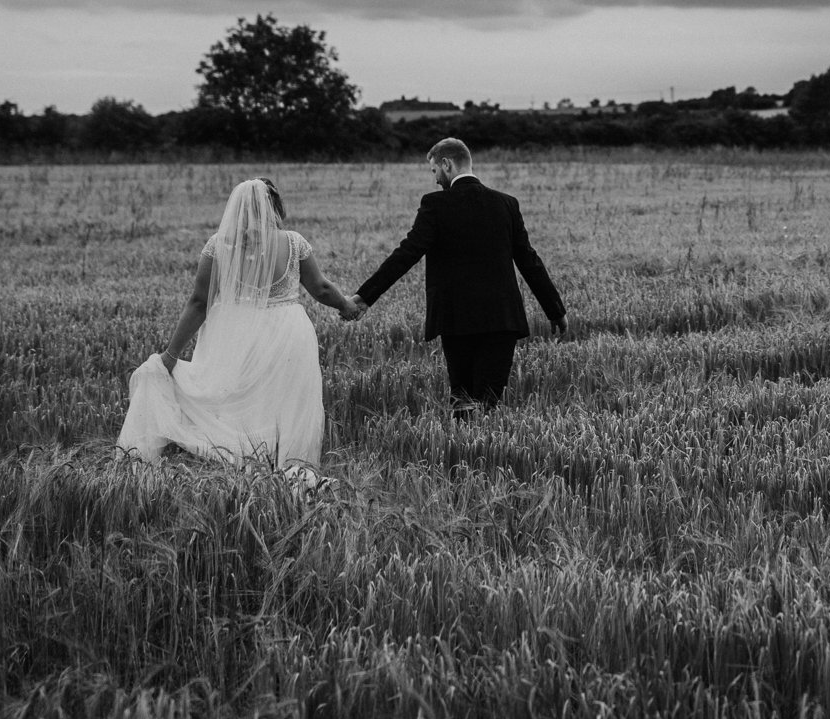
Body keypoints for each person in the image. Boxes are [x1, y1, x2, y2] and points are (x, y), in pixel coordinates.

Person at [117, 177, 356, 473]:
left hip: (235, 331)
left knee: (235, 396)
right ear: (274, 206)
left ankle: (241, 460)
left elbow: (198, 303)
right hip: (289, 333)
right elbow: (320, 288)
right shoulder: (293, 242)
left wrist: (171, 355)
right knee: (287, 402)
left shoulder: (219, 246)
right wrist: (347, 305)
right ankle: (289, 468)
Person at [347, 138, 566, 418]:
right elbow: (529, 261)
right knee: (489, 405)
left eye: (434, 171)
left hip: (456, 319)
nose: (436, 179)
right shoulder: (506, 204)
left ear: (446, 164)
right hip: (502, 319)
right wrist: (555, 310)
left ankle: (464, 453)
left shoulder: (435, 204)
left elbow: (407, 254)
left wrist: (365, 297)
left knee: (462, 403)